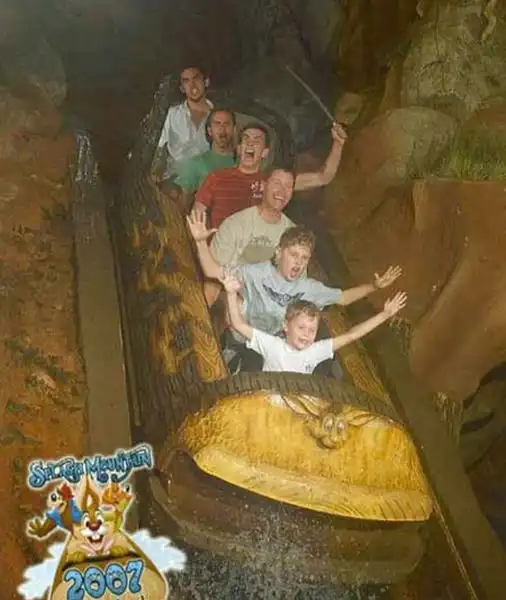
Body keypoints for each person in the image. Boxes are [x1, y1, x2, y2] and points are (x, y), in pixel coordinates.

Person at [187, 221, 402, 370]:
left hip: (280, 348)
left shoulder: (309, 288)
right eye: (294, 255)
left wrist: (374, 286)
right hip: (244, 338)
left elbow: (343, 298)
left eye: (304, 258)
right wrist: (200, 242)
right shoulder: (255, 273)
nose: (298, 263)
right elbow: (212, 270)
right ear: (279, 252)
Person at [221, 272, 407, 374]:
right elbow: (238, 324)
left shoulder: (315, 351)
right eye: (301, 327)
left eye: (312, 330)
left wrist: (384, 315)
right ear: (286, 326)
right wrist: (230, 293)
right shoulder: (272, 344)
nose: (306, 334)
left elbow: (352, 335)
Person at [193, 120, 347, 229]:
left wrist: (338, 144)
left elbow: (323, 177)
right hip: (221, 253)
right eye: (246, 139)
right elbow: (196, 217)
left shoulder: (274, 181)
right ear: (239, 149)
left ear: (265, 152)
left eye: (257, 140)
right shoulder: (216, 177)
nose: (251, 143)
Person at [153, 66, 213, 184]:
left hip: (207, 184)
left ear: (206, 82)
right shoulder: (171, 115)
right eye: (186, 81)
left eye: (196, 78)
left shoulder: (219, 118)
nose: (192, 85)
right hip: (174, 182)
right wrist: (156, 170)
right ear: (182, 88)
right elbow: (157, 149)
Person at [174, 108, 236, 210]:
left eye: (227, 124)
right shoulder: (196, 163)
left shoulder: (245, 162)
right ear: (210, 131)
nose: (222, 128)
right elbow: (182, 206)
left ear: (234, 129)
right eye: (217, 124)